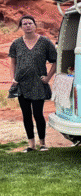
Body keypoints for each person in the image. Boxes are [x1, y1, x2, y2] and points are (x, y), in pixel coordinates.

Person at [8, 15, 58, 152]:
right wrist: (13, 78)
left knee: (38, 114)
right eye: (24, 24)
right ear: (21, 27)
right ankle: (31, 145)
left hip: (38, 84)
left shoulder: (45, 42)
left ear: (35, 25)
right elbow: (13, 63)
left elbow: (56, 61)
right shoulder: (16, 43)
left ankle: (42, 144)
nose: (27, 25)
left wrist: (48, 78)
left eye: (30, 23)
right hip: (21, 84)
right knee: (26, 115)